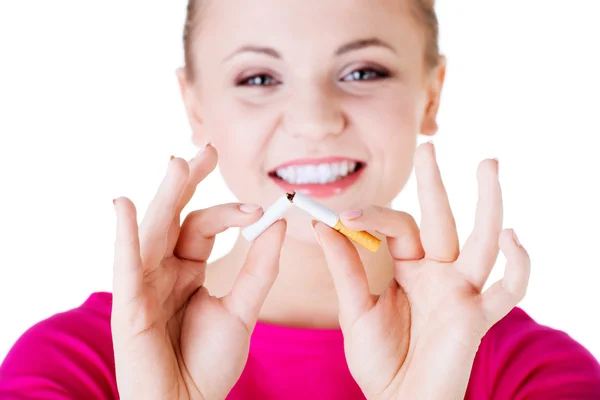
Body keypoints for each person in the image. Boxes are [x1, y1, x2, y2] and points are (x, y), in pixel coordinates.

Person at [1, 0, 600, 399]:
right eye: (259, 78)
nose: (314, 122)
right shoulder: (69, 368)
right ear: (195, 106)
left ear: (431, 95)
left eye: (363, 71)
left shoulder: (539, 377)